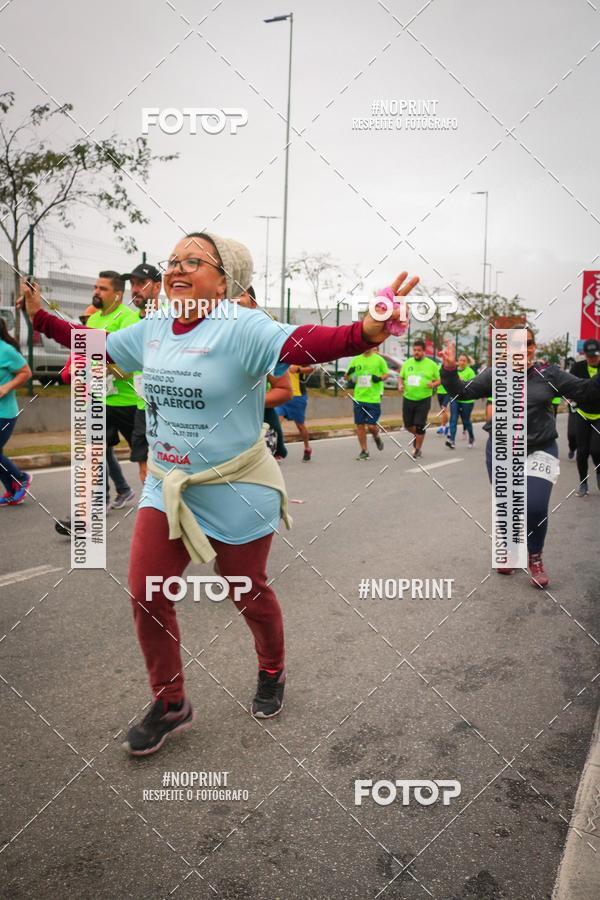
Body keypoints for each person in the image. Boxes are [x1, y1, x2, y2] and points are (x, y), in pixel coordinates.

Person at [20, 235, 418, 756]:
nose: (176, 269)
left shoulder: (243, 327)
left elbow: (310, 343)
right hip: (168, 484)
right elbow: (88, 343)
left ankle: (272, 669)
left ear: (224, 280)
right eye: (173, 261)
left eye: (193, 261)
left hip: (236, 484)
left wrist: (366, 330)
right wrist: (39, 315)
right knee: (148, 593)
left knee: (247, 590)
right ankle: (170, 703)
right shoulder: (155, 327)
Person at [440, 329, 600, 588]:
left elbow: (587, 391)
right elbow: (461, 392)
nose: (522, 349)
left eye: (527, 344)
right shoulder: (495, 375)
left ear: (534, 348)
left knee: (535, 506)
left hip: (540, 448)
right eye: (516, 344)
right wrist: (448, 370)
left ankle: (534, 557)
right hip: (502, 450)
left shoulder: (549, 374)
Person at [87, 271, 140, 509]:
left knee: (146, 457)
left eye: (103, 288)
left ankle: (154, 500)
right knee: (96, 449)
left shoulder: (129, 319)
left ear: (117, 295)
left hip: (129, 402)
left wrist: (103, 370)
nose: (96, 292)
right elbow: (86, 359)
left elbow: (129, 367)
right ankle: (97, 502)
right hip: (101, 398)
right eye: (96, 287)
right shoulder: (92, 321)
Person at [237, 287, 292, 460]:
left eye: (239, 294)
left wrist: (242, 402)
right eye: (226, 295)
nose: (233, 300)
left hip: (258, 428)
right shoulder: (205, 338)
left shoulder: (263, 341)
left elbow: (284, 390)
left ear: (253, 304)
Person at [122, 263, 162, 484]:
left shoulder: (170, 318)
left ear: (157, 287)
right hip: (141, 406)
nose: (135, 289)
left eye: (141, 283)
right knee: (145, 470)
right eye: (132, 284)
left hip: (168, 407)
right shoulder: (129, 321)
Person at [0, 317, 32, 506]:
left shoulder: (6, 350)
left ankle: (20, 479)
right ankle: (13, 489)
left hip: (4, 413)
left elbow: (26, 372)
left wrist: (6, 387)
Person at [398, 339, 440, 458]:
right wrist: (400, 385)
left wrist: (433, 384)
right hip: (408, 398)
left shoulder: (432, 364)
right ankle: (419, 434)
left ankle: (417, 449)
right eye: (415, 350)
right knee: (408, 425)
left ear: (424, 351)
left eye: (419, 350)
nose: (416, 352)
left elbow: (439, 380)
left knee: (420, 425)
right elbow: (401, 377)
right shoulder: (407, 363)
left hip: (424, 399)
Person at [345, 347, 389, 460]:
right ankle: (364, 451)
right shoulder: (356, 359)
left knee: (371, 426)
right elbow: (346, 377)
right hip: (359, 397)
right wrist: (349, 373)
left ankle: (376, 436)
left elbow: (386, 374)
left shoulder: (378, 359)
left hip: (373, 398)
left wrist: (378, 378)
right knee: (360, 425)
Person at [569, 339, 600, 497]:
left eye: (595, 356)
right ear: (584, 355)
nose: (593, 359)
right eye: (589, 356)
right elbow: (571, 388)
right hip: (582, 414)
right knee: (582, 451)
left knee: (596, 449)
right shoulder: (578, 368)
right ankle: (583, 482)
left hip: (599, 416)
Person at [276, 365, 314, 461]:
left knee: (300, 426)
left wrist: (299, 369)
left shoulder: (300, 356)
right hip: (282, 395)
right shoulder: (281, 357)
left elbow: (311, 369)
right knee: (276, 424)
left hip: (297, 397)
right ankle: (277, 451)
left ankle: (307, 448)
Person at [445, 354, 476, 449]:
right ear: (457, 361)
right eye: (460, 360)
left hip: (467, 400)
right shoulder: (454, 371)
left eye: (464, 361)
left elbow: (474, 386)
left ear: (467, 362)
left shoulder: (470, 372)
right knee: (453, 418)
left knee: (466, 421)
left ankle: (471, 437)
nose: (462, 362)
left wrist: (463, 382)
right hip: (455, 398)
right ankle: (452, 441)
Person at [436, 362, 450, 436]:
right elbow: (435, 378)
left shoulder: (451, 368)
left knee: (444, 408)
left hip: (448, 392)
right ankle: (447, 425)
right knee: (443, 410)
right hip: (439, 392)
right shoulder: (438, 367)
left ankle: (442, 427)